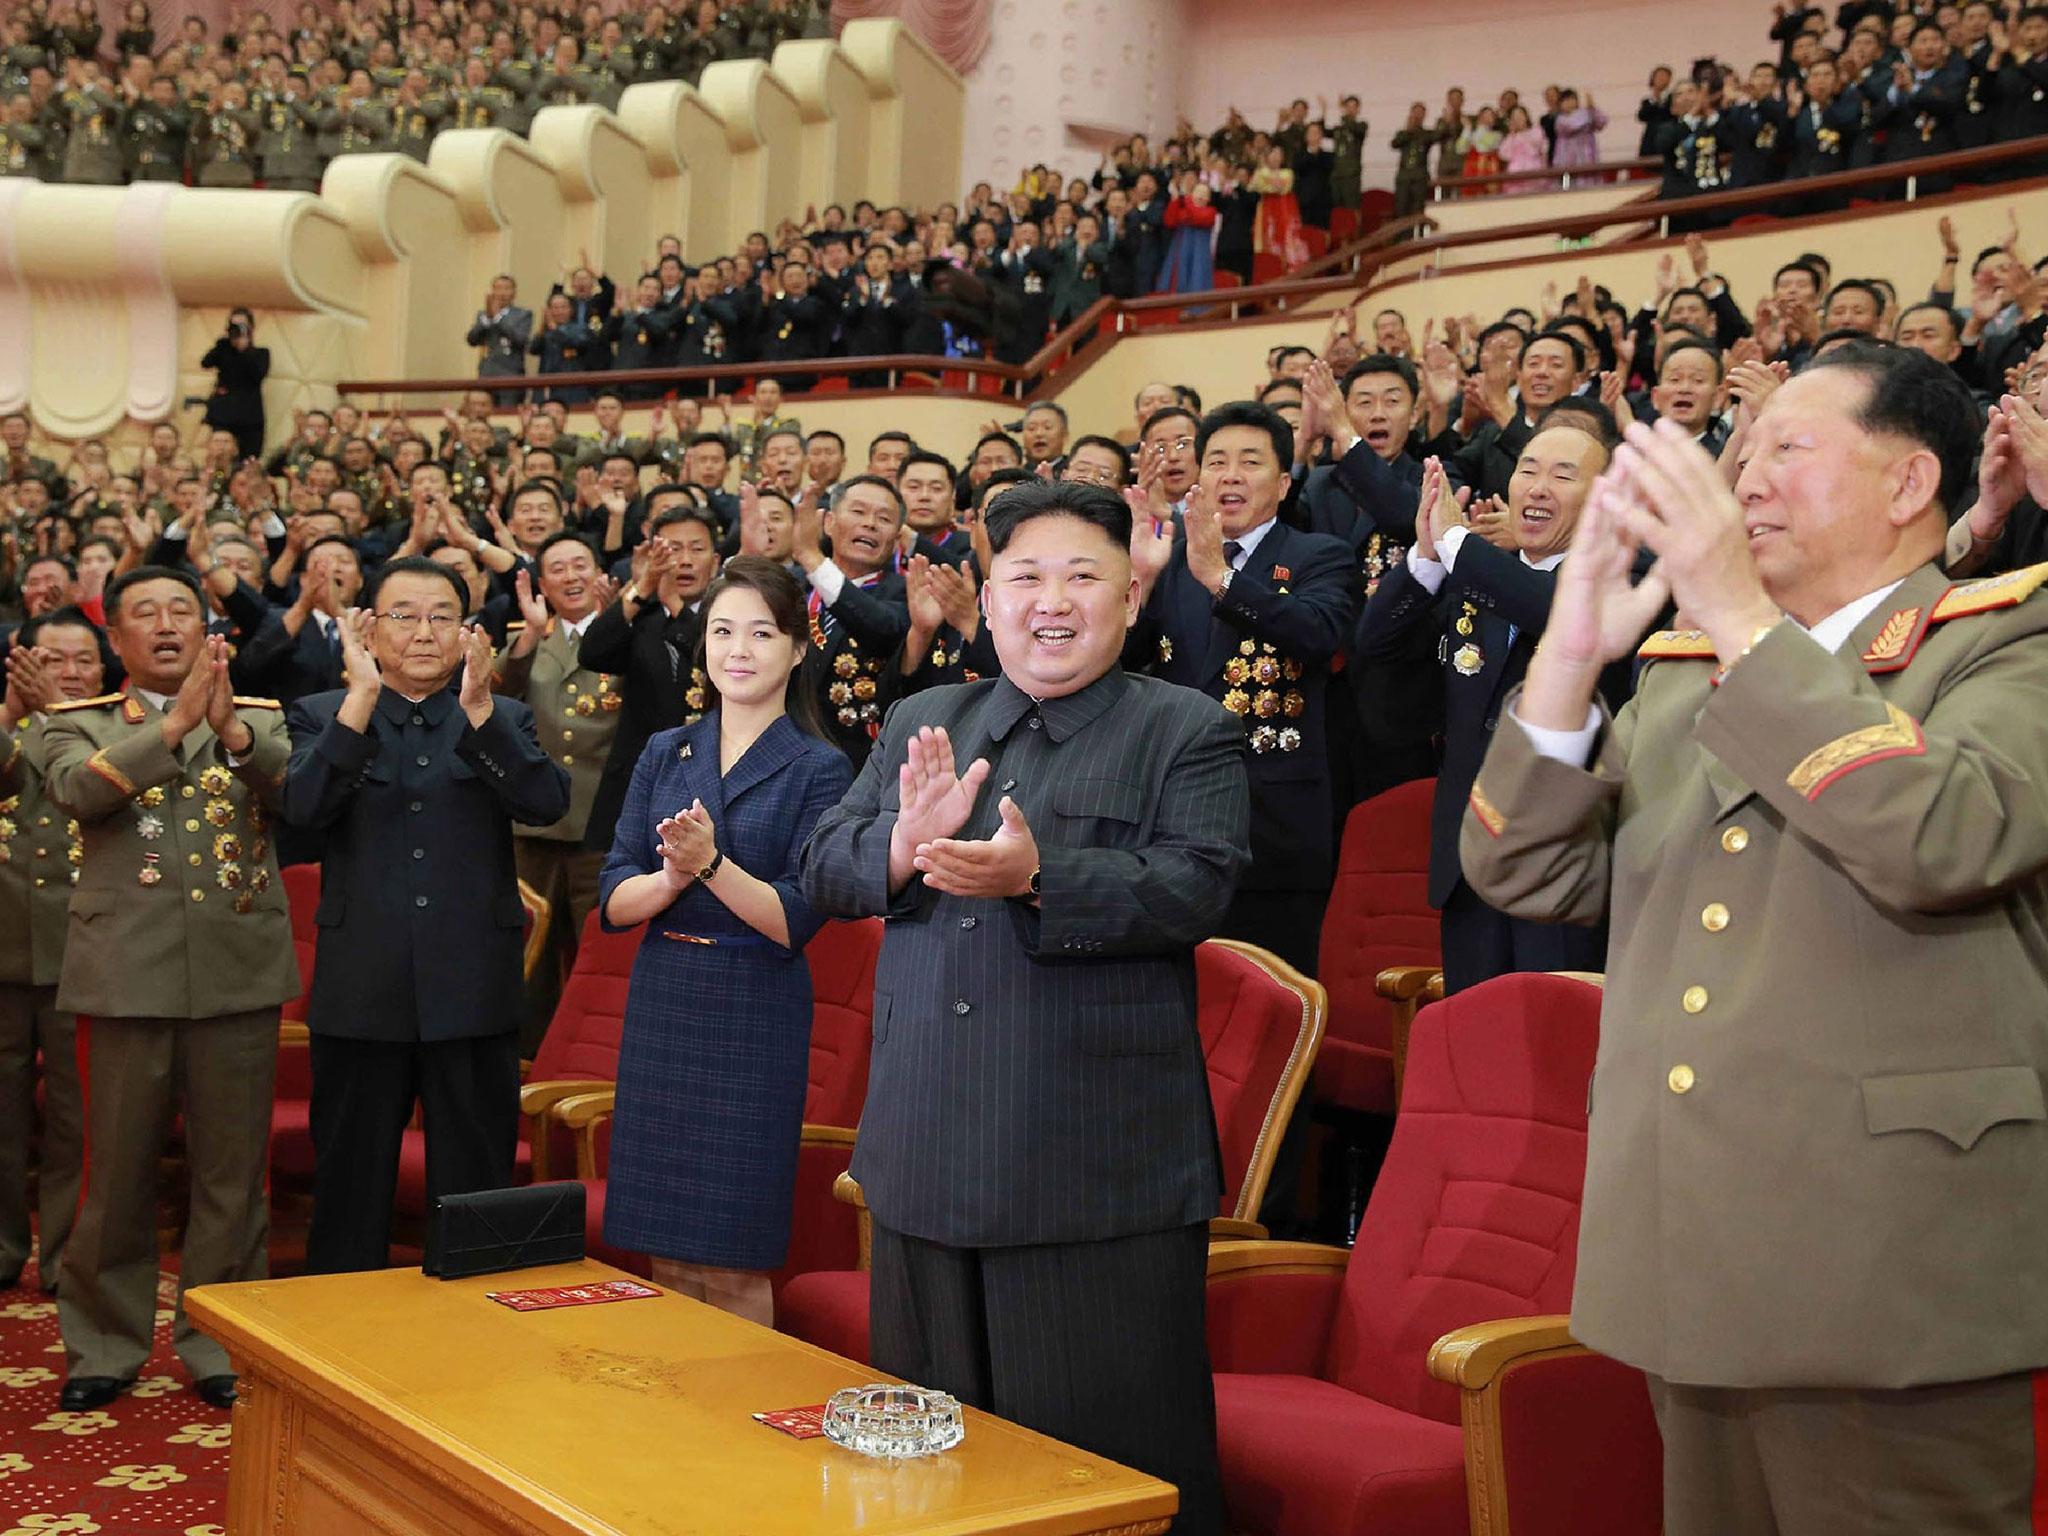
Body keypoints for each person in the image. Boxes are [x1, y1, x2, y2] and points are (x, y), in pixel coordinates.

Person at [1461, 346, 2046, 1533]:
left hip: (1888, 1263)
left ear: (1906, 483)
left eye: (1786, 447)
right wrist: (1571, 654)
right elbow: (1521, 866)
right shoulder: (1685, 675)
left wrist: (1732, 610)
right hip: (1693, 1251)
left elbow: (1943, 834)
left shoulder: (2002, 641)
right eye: (1739, 453)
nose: (1747, 480)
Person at [801, 478, 1250, 1536]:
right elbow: (824, 860)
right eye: (1024, 576)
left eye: (1080, 575)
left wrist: (1039, 879)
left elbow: (1194, 886)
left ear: (1129, 595)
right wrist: (903, 846)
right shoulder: (926, 718)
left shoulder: (1186, 729)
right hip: (919, 1162)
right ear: (987, 597)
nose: (1051, 601)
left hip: (1090, 1184)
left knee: (1092, 1487)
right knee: (927, 1477)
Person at [44, 568, 298, 1412]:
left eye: (180, 612)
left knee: (232, 1176)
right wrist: (176, 725)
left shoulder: (258, 718)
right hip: (125, 975)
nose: (164, 626)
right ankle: (103, 1345)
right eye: (143, 615)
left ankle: (222, 1340)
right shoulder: (72, 725)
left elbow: (296, 794)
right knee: (113, 1173)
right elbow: (81, 793)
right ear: (115, 641)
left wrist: (224, 730)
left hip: (238, 972)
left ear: (207, 631)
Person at [282, 557, 570, 1274]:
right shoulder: (322, 713)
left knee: (474, 1197)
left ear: (469, 633)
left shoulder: (501, 716)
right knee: (350, 1192)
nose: (423, 631)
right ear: (368, 629)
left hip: (472, 994)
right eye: (403, 615)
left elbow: (546, 804)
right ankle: (342, 1353)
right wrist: (358, 700)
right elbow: (302, 816)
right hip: (360, 992)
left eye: (442, 615)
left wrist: (478, 711)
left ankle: (469, 1367)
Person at [597, 556, 851, 1323]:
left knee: (732, 1255)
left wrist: (707, 864)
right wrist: (672, 881)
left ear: (798, 647)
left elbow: (796, 917)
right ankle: (673, 1422)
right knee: (665, 1252)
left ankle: (736, 1429)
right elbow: (614, 897)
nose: (738, 649)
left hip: (753, 1009)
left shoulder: (820, 767)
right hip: (665, 998)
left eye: (761, 632)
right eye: (722, 631)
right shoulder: (664, 751)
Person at [1359, 426, 1620, 992]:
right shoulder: (1479, 584)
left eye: (1563, 474)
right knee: (1478, 1047)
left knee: (1558, 1049)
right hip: (1469, 863)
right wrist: (1428, 557)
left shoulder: (1618, 579)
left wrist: (1456, 541)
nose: (1538, 487)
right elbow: (1376, 644)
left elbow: (1553, 614)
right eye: (1528, 469)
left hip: (1564, 869)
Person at [1126, 401, 1357, 977]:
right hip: (1171, 818)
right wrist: (1140, 586)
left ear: (1282, 483)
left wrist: (1220, 578)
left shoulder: (1320, 555)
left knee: (1277, 996)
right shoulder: (1170, 562)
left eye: (1249, 462)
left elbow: (1319, 633)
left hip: (1273, 826)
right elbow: (1127, 669)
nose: (1229, 475)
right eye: (1217, 461)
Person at [0, 609, 107, 1295]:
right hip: (3, 946)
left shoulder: (119, 730)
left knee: (80, 1118)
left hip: (87, 954)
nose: (67, 673)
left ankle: (68, 1252)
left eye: (82, 660)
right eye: (51, 660)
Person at [495, 529, 622, 1049]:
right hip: (533, 824)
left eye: (580, 565)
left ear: (599, 573)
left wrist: (624, 626)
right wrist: (526, 636)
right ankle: (528, 1064)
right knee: (531, 957)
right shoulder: (531, 640)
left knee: (598, 953)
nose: (571, 577)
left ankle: (591, 1062)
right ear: (541, 584)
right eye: (559, 570)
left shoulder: (622, 633)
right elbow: (495, 696)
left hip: (600, 826)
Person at [199, 307, 269, 462]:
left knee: (248, 461)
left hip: (249, 417)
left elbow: (258, 375)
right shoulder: (223, 348)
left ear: (251, 328)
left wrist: (245, 349)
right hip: (223, 414)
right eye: (234, 325)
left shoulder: (260, 353)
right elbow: (205, 363)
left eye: (242, 326)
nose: (238, 329)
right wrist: (224, 342)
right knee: (219, 460)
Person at [1249, 144, 1307, 272]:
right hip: (1266, 211)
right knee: (1267, 238)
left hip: (1284, 210)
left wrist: (1267, 182)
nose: (1276, 157)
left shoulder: (1288, 173)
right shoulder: (1260, 172)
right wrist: (1266, 182)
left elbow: (1281, 188)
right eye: (1273, 154)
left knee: (1287, 239)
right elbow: (1255, 187)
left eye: (1279, 154)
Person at [468, 273, 532, 381]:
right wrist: (487, 319)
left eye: (507, 289)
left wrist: (497, 318)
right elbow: (472, 340)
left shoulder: (523, 314)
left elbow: (520, 340)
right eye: (498, 288)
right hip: (486, 372)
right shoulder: (483, 315)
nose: (502, 293)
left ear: (514, 293)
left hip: (511, 374)